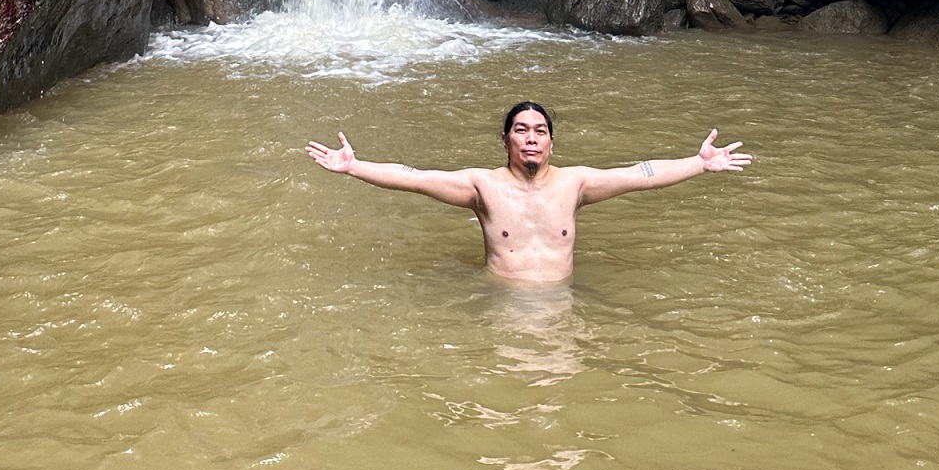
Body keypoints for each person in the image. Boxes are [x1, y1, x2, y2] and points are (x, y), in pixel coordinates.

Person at [305, 100, 752, 284]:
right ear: (505, 141)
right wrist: (354, 166)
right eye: (521, 130)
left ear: (552, 142)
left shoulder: (575, 184)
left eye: (540, 131)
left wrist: (699, 163)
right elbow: (414, 176)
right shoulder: (482, 187)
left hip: (562, 308)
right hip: (502, 305)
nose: (531, 138)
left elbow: (641, 173)